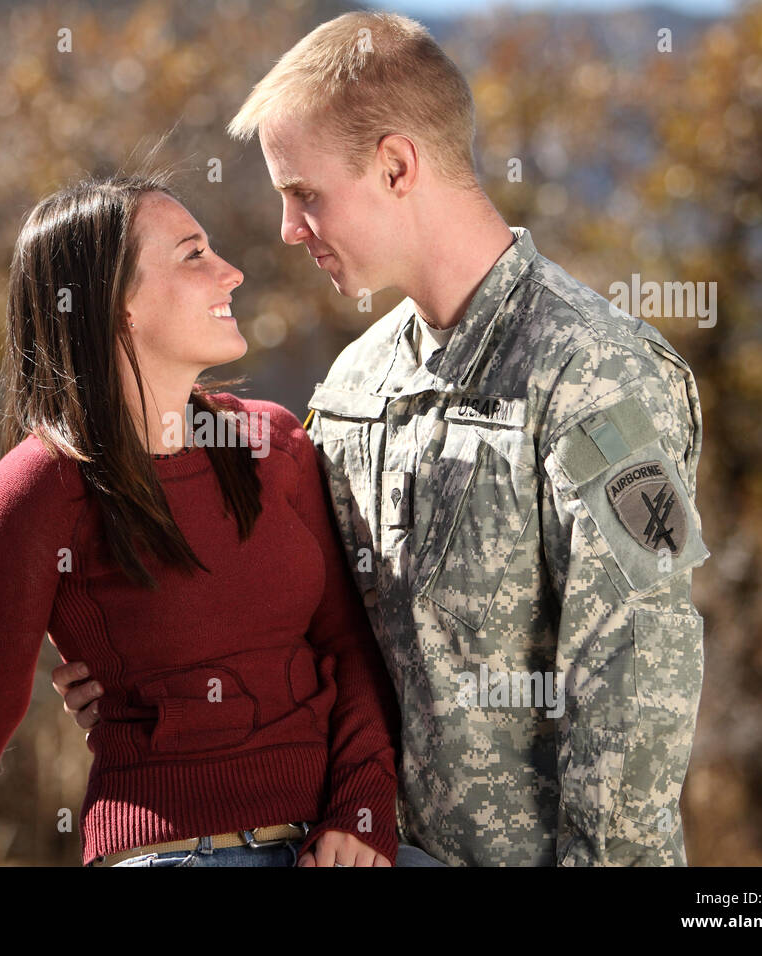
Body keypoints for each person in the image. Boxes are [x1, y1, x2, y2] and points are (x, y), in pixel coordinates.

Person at [53, 11, 709, 866]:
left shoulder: (599, 375)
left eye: (305, 194)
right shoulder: (356, 384)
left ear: (397, 165)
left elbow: (639, 679)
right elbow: (299, 619)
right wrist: (144, 666)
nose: (290, 230)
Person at [0, 170, 429, 868]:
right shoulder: (39, 487)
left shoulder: (273, 443)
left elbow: (349, 644)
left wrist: (363, 811)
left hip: (331, 844)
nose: (232, 272)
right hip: (173, 854)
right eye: (193, 254)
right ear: (117, 304)